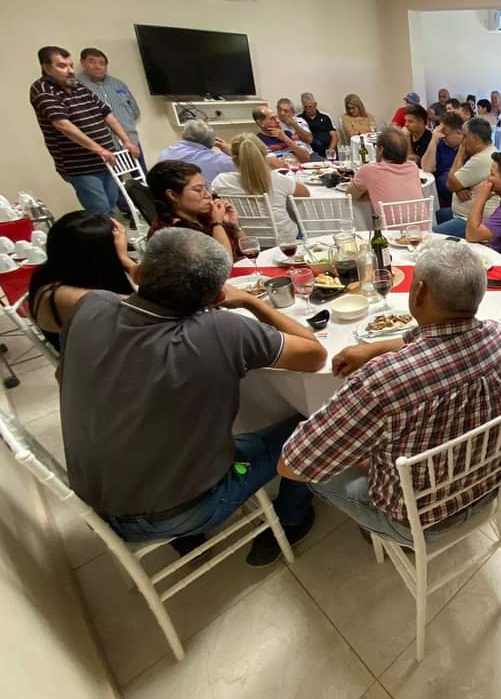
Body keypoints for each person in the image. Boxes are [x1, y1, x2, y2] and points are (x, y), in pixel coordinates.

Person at [54, 227, 326, 565]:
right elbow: (315, 354)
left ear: (140, 272)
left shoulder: (89, 306)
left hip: (96, 505)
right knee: (313, 426)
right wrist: (251, 301)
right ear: (215, 299)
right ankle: (292, 518)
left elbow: (63, 376)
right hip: (186, 509)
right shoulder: (221, 330)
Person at [278, 240, 501, 544]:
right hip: (486, 490)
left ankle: (379, 528)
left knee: (316, 469)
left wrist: (363, 456)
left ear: (419, 292)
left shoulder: (381, 382)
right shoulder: (497, 334)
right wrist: (374, 348)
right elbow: (435, 339)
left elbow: (292, 463)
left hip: (418, 521)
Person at [30, 46, 140, 215]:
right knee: (101, 212)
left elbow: (106, 113)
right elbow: (62, 124)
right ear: (46, 67)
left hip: (106, 160)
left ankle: (111, 237)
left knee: (111, 205)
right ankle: (108, 240)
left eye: (71, 65)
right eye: (62, 66)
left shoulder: (78, 86)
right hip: (80, 166)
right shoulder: (42, 89)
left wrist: (126, 140)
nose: (70, 71)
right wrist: (99, 149)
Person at [28, 211, 136, 352]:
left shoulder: (50, 273)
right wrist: (125, 259)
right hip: (99, 369)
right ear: (101, 255)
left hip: (100, 356)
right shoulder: (80, 298)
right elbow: (152, 307)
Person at [212, 133, 310, 238]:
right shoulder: (277, 179)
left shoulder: (221, 181)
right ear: (264, 155)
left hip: (245, 239)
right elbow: (305, 193)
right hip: (285, 239)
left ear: (233, 157)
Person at [147, 160, 244, 260]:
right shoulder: (170, 233)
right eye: (198, 190)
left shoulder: (203, 216)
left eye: (206, 188)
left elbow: (248, 250)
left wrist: (234, 226)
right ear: (173, 195)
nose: (208, 195)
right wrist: (217, 224)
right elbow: (223, 265)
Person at [76, 47, 143, 169]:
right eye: (92, 61)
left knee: (143, 181)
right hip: (103, 147)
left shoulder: (118, 84)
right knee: (115, 185)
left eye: (101, 63)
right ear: (82, 63)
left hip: (130, 141)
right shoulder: (77, 86)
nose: (97, 66)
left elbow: (134, 111)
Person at [433, 117, 498, 236]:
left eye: (465, 136)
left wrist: (459, 154)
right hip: (465, 214)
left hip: (472, 220)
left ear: (475, 139)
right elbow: (456, 183)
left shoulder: (481, 159)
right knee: (440, 214)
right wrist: (459, 188)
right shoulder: (488, 152)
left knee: (433, 234)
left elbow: (450, 184)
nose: (462, 140)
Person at [346, 127, 424, 222]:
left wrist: (372, 193)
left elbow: (350, 195)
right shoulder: (413, 167)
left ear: (381, 150)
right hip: (421, 231)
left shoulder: (370, 170)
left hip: (390, 234)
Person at [158, 120, 236, 185]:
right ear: (213, 141)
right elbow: (245, 166)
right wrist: (231, 151)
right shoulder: (219, 161)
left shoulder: (164, 154)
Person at [420, 111, 464, 209]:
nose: (442, 137)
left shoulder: (467, 147)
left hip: (459, 193)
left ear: (459, 133)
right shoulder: (440, 143)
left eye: (446, 134)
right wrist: (434, 139)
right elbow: (427, 167)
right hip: (441, 193)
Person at [299, 93, 339, 157]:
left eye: (310, 107)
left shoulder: (325, 117)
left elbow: (334, 136)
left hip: (329, 148)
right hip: (313, 150)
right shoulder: (300, 119)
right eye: (306, 107)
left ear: (315, 105)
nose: (308, 110)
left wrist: (330, 150)